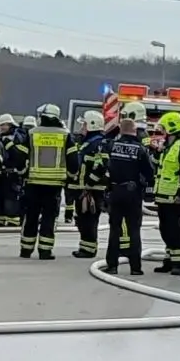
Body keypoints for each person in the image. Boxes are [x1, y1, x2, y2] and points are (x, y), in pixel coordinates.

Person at [7, 102, 68, 259]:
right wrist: (71, 177)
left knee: (31, 216)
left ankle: (26, 249)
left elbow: (20, 157)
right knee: (49, 217)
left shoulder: (32, 133)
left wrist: (22, 172)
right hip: (54, 185)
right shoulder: (65, 135)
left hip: (33, 183)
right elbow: (74, 160)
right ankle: (45, 251)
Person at [99, 101, 153, 276]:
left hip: (115, 191)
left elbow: (104, 167)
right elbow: (149, 172)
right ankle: (135, 267)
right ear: (134, 131)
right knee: (134, 230)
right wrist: (144, 185)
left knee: (115, 229)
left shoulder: (112, 146)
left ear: (121, 130)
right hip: (133, 193)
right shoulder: (140, 149)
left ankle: (112, 265)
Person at [152, 110, 180, 274]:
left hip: (174, 197)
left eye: (163, 129)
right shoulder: (168, 147)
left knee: (173, 229)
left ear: (171, 129)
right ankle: (169, 259)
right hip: (163, 196)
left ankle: (178, 263)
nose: (161, 132)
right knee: (165, 229)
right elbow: (157, 165)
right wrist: (156, 151)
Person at [70, 110, 107, 258]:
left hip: (92, 189)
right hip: (85, 188)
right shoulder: (88, 143)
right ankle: (85, 246)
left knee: (89, 219)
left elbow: (102, 165)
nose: (82, 127)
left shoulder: (98, 144)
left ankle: (89, 249)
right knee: (82, 218)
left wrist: (90, 183)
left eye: (84, 124)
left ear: (92, 125)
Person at [0, 114, 22, 228]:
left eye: (4, 125)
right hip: (2, 173)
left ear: (10, 124)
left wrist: (9, 144)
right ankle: (1, 218)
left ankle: (13, 219)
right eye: (1, 125)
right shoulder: (1, 137)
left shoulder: (17, 137)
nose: (2, 128)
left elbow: (18, 156)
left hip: (12, 174)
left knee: (10, 197)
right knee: (0, 196)